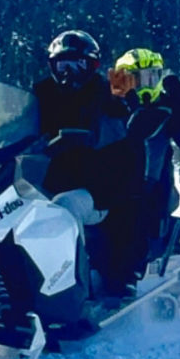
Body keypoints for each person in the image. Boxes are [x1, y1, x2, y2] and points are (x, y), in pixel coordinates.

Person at [32, 30, 142, 298]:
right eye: (63, 64)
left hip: (98, 187)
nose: (69, 72)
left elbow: (120, 127)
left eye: (76, 64)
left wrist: (94, 133)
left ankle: (71, 286)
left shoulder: (107, 93)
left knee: (64, 207)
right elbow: (16, 120)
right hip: (45, 179)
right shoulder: (41, 92)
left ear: (91, 66)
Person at [108, 48, 180, 267]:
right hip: (108, 180)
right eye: (139, 79)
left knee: (139, 215)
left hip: (151, 184)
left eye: (153, 77)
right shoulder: (109, 104)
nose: (147, 85)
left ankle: (130, 274)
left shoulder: (164, 107)